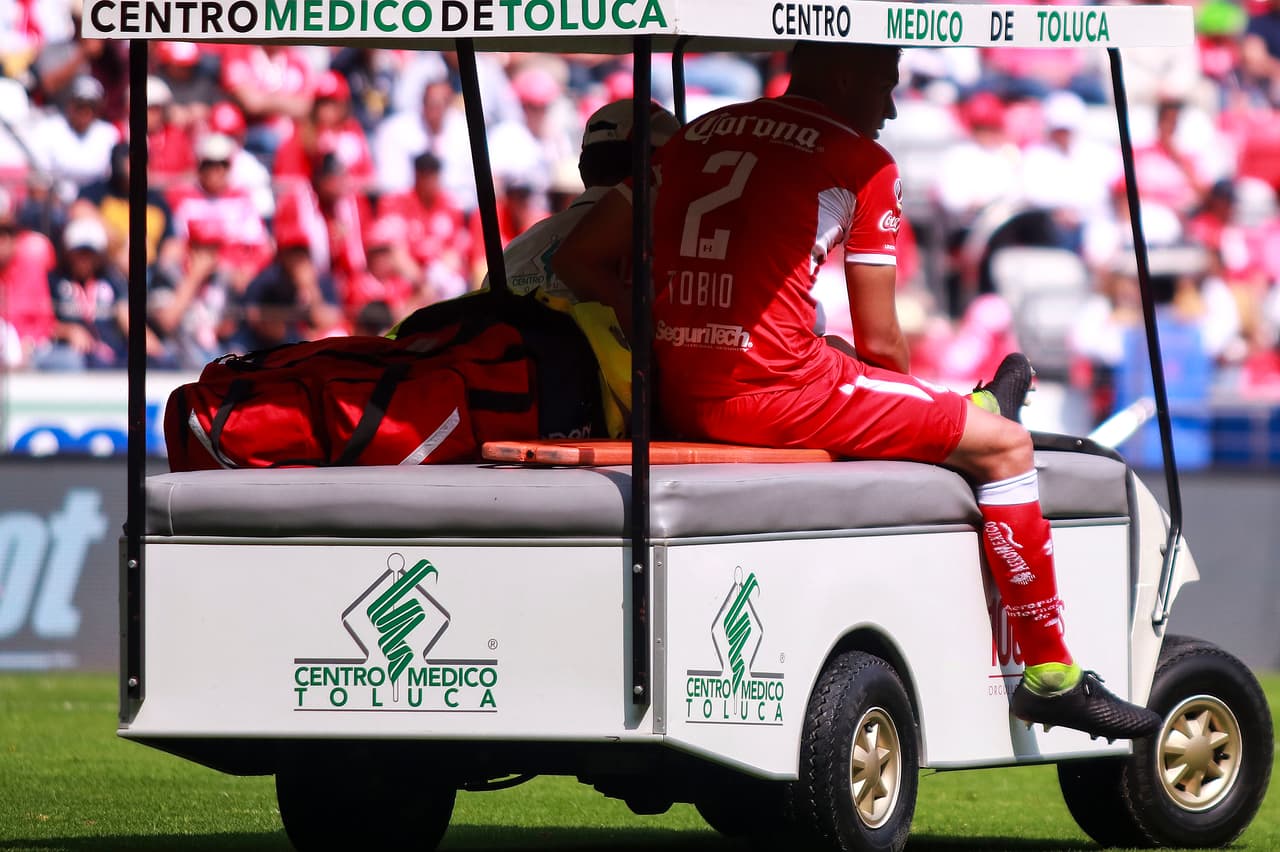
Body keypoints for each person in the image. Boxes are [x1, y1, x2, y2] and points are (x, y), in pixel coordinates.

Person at [553, 41, 1161, 741]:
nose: (893, 106)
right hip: (775, 393)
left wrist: (659, 330)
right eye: (885, 84)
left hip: (681, 387)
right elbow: (881, 342)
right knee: (1004, 447)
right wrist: (922, 413)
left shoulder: (697, 135)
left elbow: (578, 259)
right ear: (843, 74)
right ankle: (1051, 673)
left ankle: (966, 408)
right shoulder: (862, 161)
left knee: (841, 359)